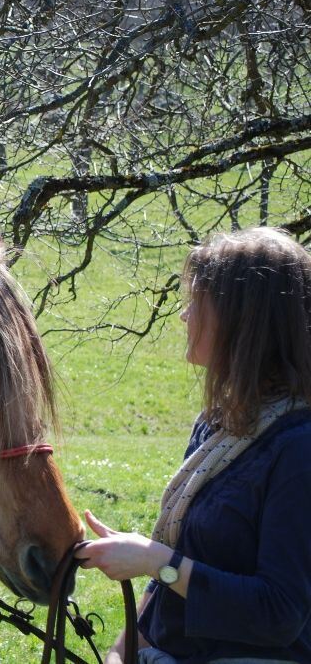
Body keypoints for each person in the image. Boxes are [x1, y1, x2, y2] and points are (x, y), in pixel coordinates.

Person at [75, 227, 311, 664]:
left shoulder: (298, 449)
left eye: (198, 302)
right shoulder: (220, 425)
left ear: (243, 320)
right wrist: (120, 653)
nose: (185, 317)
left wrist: (153, 559)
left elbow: (280, 612)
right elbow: (174, 573)